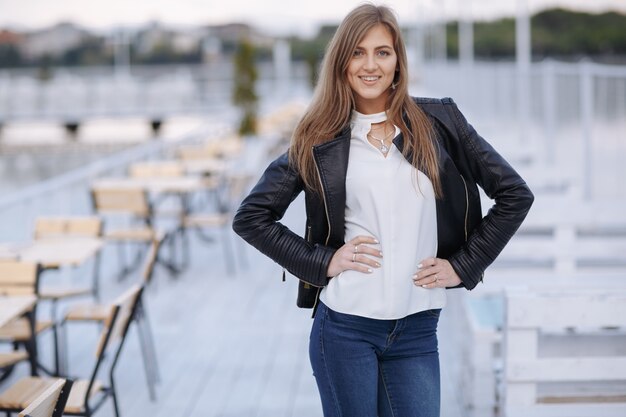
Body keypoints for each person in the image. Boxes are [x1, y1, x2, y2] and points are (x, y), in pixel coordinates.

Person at [232, 3, 533, 417]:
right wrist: (324, 261)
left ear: (398, 62)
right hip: (344, 328)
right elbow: (251, 217)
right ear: (341, 62)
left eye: (382, 52)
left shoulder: (439, 122)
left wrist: (464, 265)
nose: (369, 65)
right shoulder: (318, 136)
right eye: (357, 52)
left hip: (418, 329)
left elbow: (515, 194)